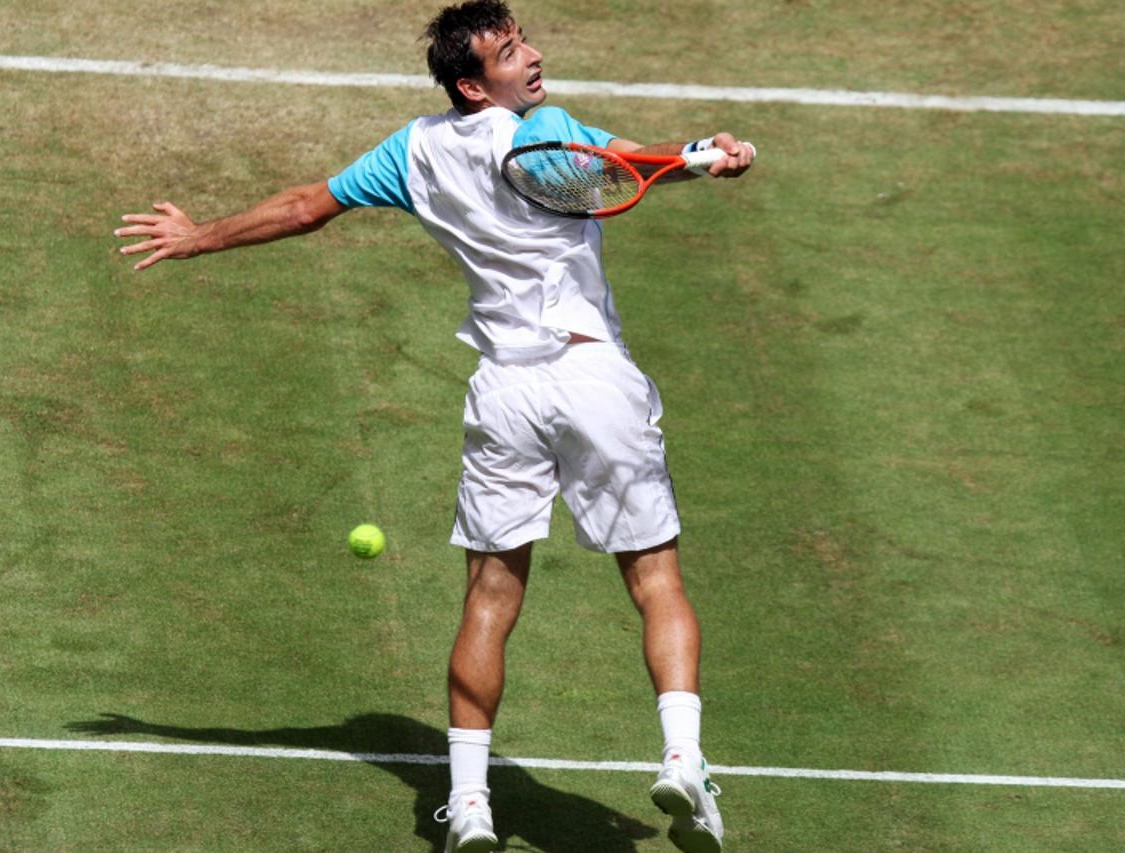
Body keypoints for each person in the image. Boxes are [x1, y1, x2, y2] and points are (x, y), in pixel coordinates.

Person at [114, 3, 754, 850]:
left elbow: (309, 206)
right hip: (595, 378)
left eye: (523, 40)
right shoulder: (551, 126)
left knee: (490, 597)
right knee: (656, 579)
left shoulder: (412, 150)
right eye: (507, 51)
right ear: (470, 83)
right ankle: (682, 758)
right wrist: (707, 159)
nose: (530, 57)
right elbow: (623, 167)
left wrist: (198, 238)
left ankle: (470, 804)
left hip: (505, 394)